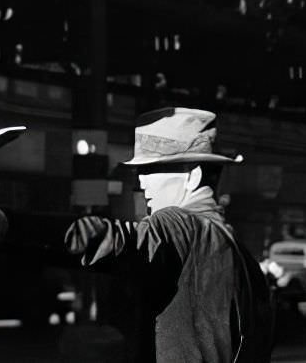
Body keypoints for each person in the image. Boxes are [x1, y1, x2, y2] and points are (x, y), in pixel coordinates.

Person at [57, 107, 272, 362]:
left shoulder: (180, 227)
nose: (142, 181)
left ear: (193, 176)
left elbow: (114, 240)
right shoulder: (242, 257)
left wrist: (10, 226)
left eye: (152, 169)